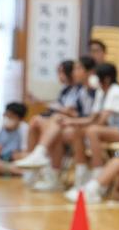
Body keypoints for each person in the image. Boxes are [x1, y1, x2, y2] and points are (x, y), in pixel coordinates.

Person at [15, 56, 97, 190]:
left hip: (84, 128)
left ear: (89, 72)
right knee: (39, 121)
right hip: (74, 124)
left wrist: (70, 116)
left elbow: (91, 117)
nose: (74, 72)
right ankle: (37, 161)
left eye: (78, 69)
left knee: (55, 125)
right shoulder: (75, 90)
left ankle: (44, 166)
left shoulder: (93, 90)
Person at [70, 63, 119, 184]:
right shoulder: (101, 92)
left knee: (92, 131)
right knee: (77, 131)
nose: (92, 78)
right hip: (115, 129)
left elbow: (101, 121)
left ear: (107, 79)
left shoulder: (117, 92)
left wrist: (86, 128)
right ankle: (81, 172)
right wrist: (73, 122)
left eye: (96, 76)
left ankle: (98, 174)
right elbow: (92, 118)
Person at [0, 103, 29, 176]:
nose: (8, 119)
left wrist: (18, 155)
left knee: (28, 156)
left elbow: (25, 150)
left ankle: (6, 170)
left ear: (20, 119)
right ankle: (16, 171)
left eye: (12, 117)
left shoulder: (25, 128)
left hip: (14, 161)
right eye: (7, 115)